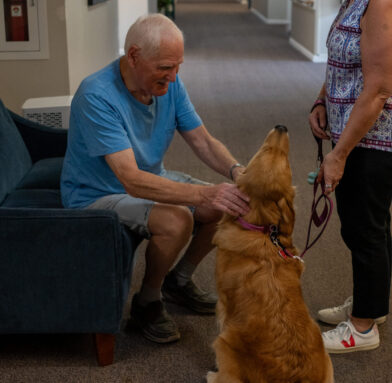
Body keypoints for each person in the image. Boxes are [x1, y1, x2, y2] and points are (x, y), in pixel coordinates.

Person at [60, 14, 250, 344]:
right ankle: (147, 302)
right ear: (134, 56)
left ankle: (180, 280)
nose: (174, 77)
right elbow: (131, 180)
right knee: (178, 220)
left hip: (148, 177)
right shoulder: (97, 95)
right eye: (165, 67)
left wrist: (237, 171)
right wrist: (201, 195)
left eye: (178, 66)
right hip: (97, 193)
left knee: (227, 203)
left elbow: (202, 140)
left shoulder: (168, 85)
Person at [309, 0, 392, 353]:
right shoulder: (357, 2)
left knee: (363, 227)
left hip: (376, 140)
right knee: (372, 222)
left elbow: (377, 89)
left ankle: (362, 328)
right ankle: (370, 305)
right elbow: (349, 64)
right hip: (362, 134)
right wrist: (322, 101)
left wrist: (338, 156)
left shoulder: (385, 5)